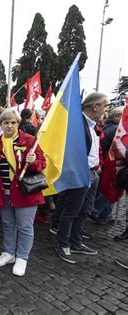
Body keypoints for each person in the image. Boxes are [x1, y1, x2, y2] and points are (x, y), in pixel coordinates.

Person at [53, 93, 108, 264]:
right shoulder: (77, 124)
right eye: (105, 106)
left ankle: (76, 242)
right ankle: (63, 245)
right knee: (71, 211)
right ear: (95, 106)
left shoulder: (91, 125)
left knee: (85, 210)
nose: (106, 110)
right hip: (80, 173)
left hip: (92, 173)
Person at [0, 108, 46, 276]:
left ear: (18, 123)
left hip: (25, 193)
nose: (9, 126)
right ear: (0, 124)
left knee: (25, 226)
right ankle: (8, 253)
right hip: (4, 192)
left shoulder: (30, 140)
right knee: (8, 224)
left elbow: (42, 164)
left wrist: (33, 162)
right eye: (6, 122)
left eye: (13, 122)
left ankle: (22, 257)